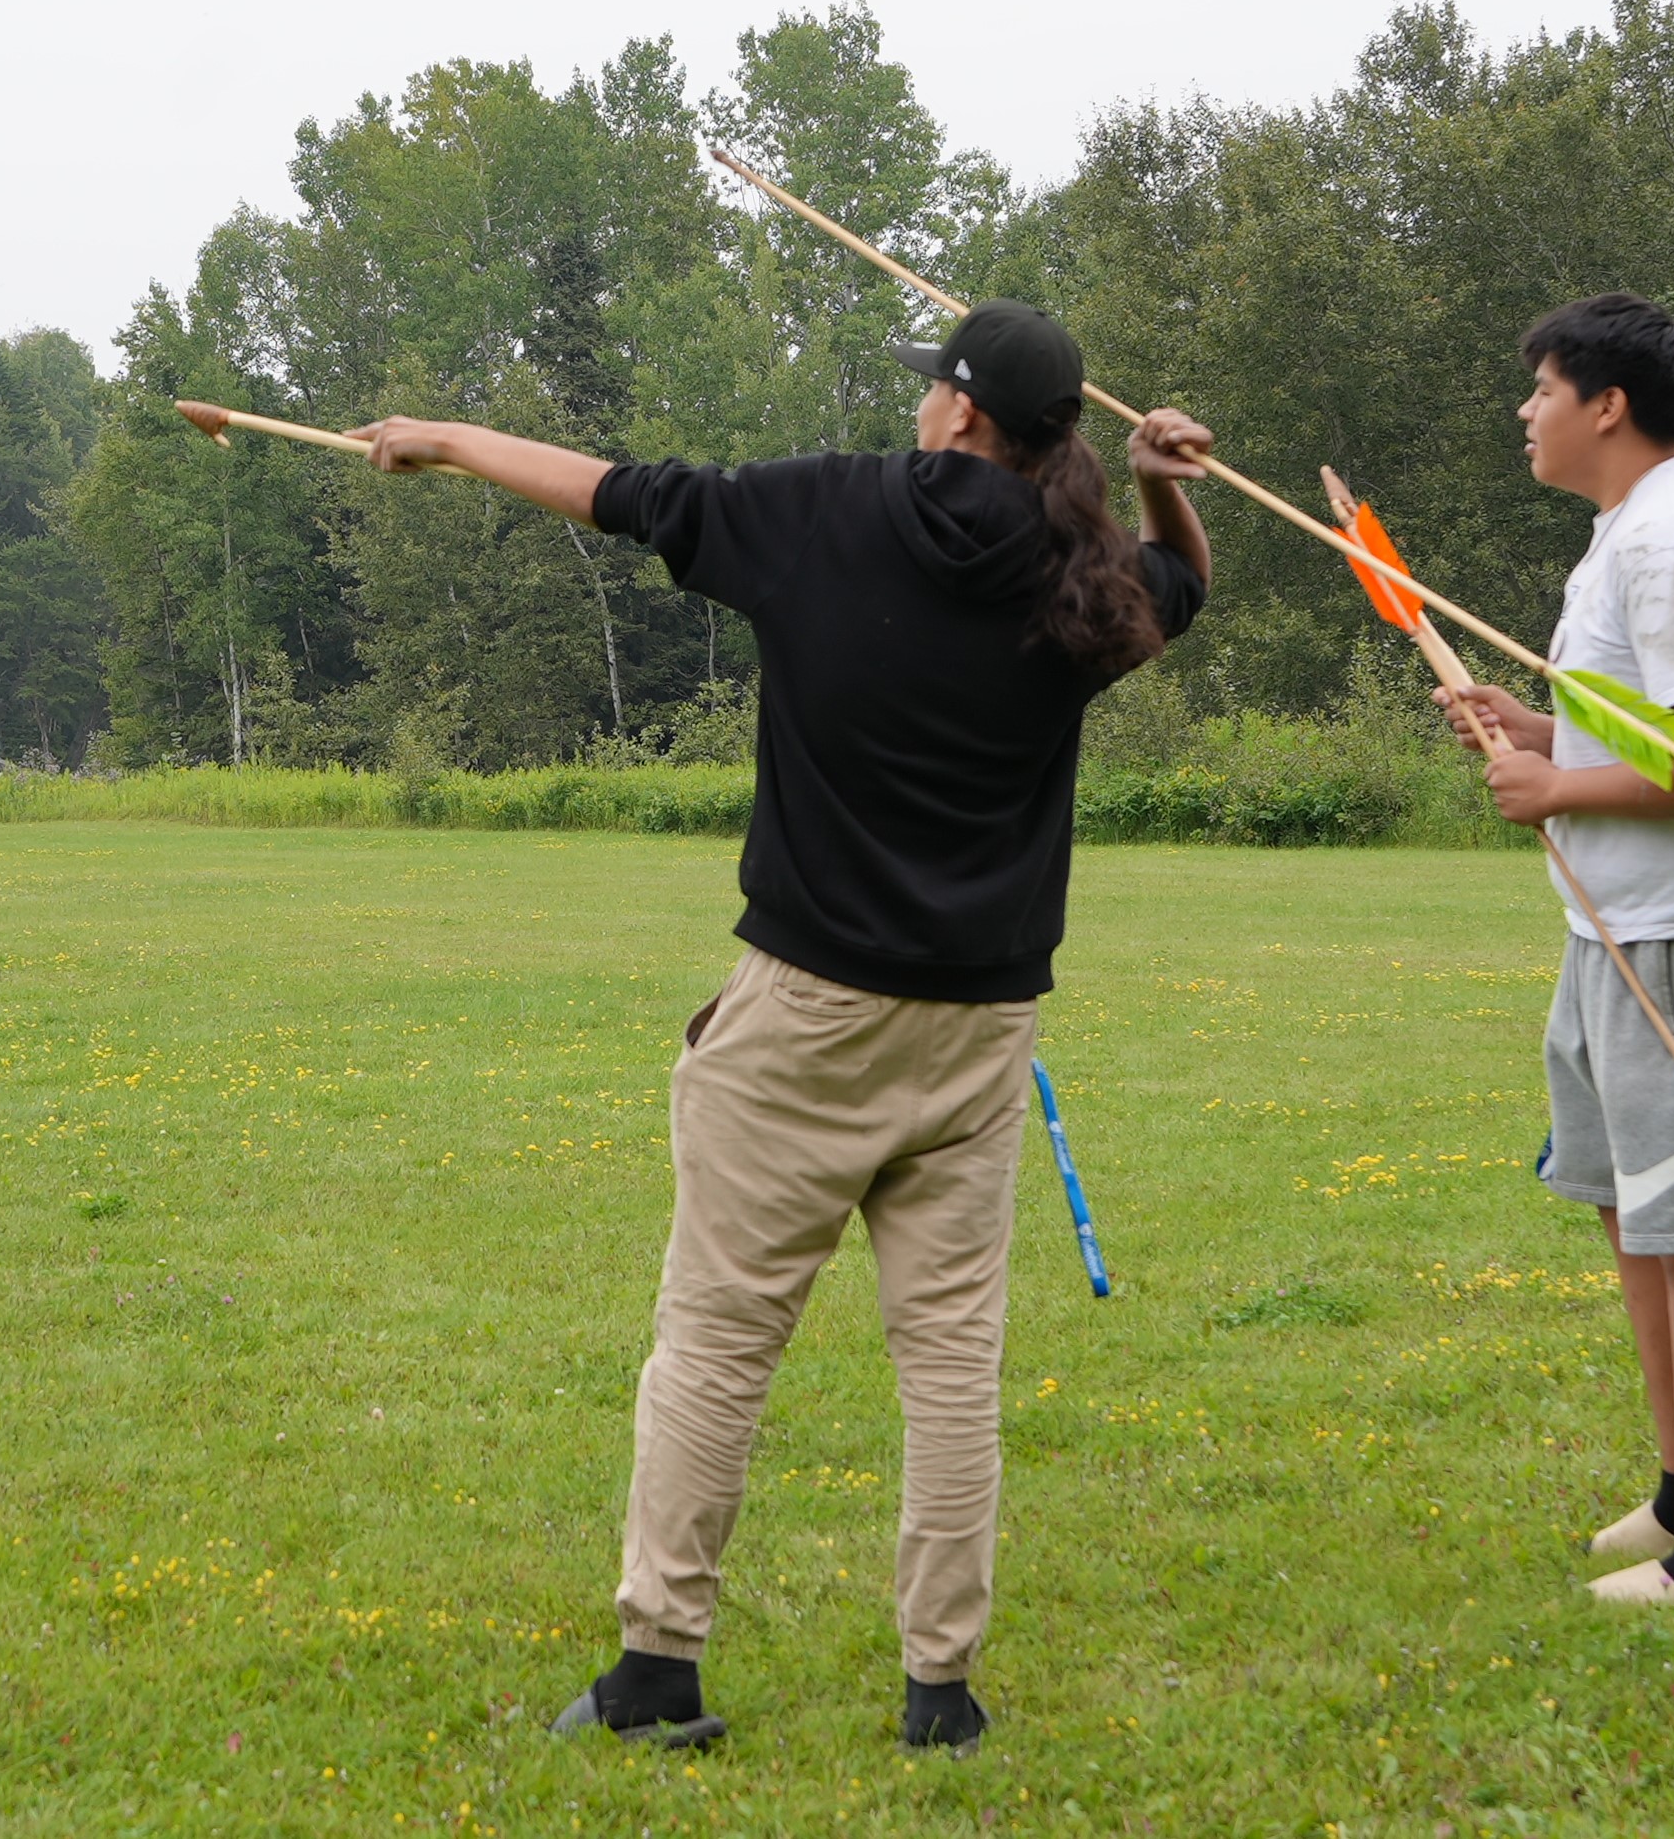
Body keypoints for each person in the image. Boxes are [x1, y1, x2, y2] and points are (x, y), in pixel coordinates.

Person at [352, 299, 1210, 1752]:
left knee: (715, 1342)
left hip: (808, 1015)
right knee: (951, 1357)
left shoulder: (834, 509)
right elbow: (1178, 589)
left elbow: (618, 491)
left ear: (956, 410)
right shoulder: (1086, 574)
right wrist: (1159, 481)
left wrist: (445, 440)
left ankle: (657, 1674)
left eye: (931, 392)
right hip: (982, 1025)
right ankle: (940, 1691)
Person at [1430, 292, 1674, 1606]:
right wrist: (1542, 737)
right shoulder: (1625, 537)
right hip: (1622, 923)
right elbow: (1649, 731)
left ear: (1606, 402)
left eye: (1541, 387)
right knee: (1633, 1203)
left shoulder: (1671, 541)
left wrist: (1560, 793)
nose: (1524, 410)